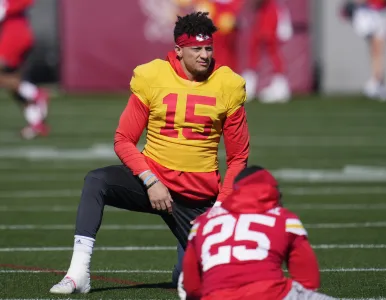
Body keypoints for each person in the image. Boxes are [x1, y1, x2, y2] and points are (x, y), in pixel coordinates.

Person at [49, 11, 250, 294]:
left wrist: (222, 206)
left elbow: (239, 156)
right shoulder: (153, 75)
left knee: (199, 284)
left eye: (208, 48)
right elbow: (123, 139)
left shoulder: (228, 84)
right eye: (196, 49)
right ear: (178, 51)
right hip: (154, 181)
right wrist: (151, 180)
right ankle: (78, 272)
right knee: (97, 181)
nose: (204, 55)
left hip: (197, 196)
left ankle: (188, 264)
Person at [178, 166, 335, 300]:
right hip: (270, 294)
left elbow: (192, 286)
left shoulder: (202, 222)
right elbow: (308, 281)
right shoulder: (285, 219)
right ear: (273, 192)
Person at [0, 0, 50, 139]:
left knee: (11, 81)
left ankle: (35, 93)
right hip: (14, 36)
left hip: (15, 37)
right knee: (13, 83)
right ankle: (37, 123)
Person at [343, 0, 386, 101]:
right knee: (375, 49)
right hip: (371, 12)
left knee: (378, 49)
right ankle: (377, 81)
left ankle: (377, 82)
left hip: (384, 12)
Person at [242, 0, 292, 103]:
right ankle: (249, 86)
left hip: (270, 11)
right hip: (262, 11)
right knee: (254, 47)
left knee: (272, 48)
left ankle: (280, 87)